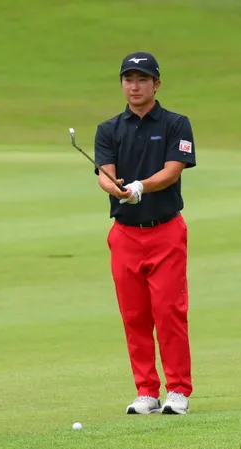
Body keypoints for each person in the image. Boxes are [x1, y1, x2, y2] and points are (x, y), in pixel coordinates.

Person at [93, 52, 196, 415]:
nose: (134, 86)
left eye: (142, 79)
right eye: (128, 79)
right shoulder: (108, 129)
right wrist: (116, 188)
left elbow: (172, 171)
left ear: (157, 84)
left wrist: (139, 186)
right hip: (124, 234)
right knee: (134, 315)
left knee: (169, 312)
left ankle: (178, 390)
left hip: (165, 231)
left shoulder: (175, 124)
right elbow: (105, 173)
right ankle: (146, 391)